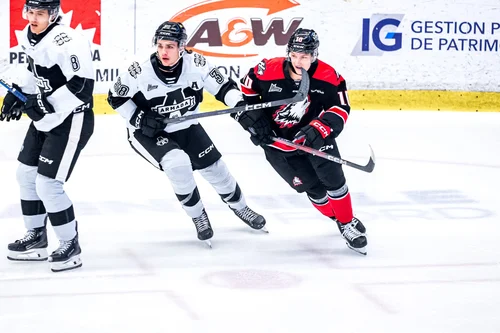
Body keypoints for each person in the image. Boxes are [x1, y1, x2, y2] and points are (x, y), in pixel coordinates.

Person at [107, 21, 266, 246]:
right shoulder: (139, 72)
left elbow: (224, 88)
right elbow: (115, 98)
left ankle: (241, 208)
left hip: (186, 127)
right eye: (160, 45)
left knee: (217, 169)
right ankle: (198, 216)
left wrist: (240, 109)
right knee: (178, 163)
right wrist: (140, 119)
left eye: (170, 46)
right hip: (148, 133)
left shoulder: (197, 64)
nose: (164, 52)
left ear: (182, 47)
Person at [233, 28, 367, 254]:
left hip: (315, 138)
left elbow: (341, 107)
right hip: (277, 144)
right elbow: (247, 89)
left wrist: (320, 127)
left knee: (333, 180)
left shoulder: (328, 76)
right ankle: (340, 218)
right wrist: (255, 118)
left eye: (304, 56)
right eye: (294, 55)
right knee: (313, 190)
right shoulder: (268, 70)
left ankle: (346, 224)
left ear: (314, 55)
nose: (298, 61)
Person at [0, 0, 94, 271]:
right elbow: (37, 73)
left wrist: (43, 104)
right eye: (30, 12)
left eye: (40, 13)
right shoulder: (32, 36)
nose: (33, 17)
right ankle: (37, 237)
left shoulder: (69, 40)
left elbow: (82, 87)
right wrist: (17, 93)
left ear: (53, 14)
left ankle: (69, 243)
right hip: (46, 119)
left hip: (72, 118)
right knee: (26, 175)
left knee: (48, 184)